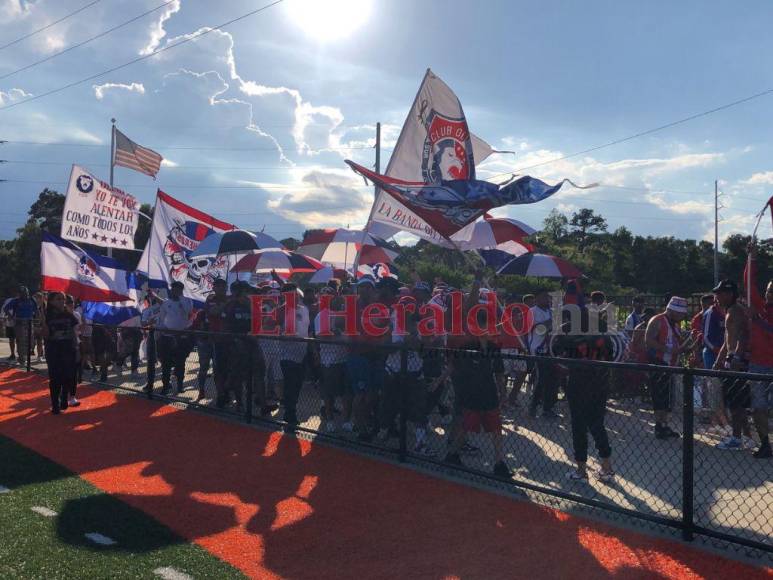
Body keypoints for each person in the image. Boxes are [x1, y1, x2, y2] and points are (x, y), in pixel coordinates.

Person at [443, 308, 512, 478]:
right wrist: (442, 381)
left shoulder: (493, 348)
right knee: (467, 427)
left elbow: (499, 374)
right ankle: (453, 454)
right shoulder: (467, 347)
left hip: (488, 393)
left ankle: (499, 463)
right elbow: (454, 368)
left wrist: (503, 395)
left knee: (495, 428)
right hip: (471, 392)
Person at [555, 310, 615, 481]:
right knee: (597, 424)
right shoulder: (603, 337)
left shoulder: (571, 337)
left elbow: (557, 351)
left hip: (579, 383)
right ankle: (606, 467)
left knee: (579, 426)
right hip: (599, 383)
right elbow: (611, 356)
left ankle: (582, 470)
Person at [645, 296, 695, 439]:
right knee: (659, 396)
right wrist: (667, 349)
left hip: (670, 365)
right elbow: (648, 340)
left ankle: (664, 425)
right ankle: (659, 425)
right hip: (658, 362)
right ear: (673, 311)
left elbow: (677, 347)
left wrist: (690, 345)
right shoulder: (657, 321)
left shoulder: (676, 325)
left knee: (667, 397)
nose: (682, 317)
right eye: (681, 314)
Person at [712, 279, 753, 450]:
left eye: (719, 293)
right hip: (732, 359)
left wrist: (735, 358)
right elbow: (727, 339)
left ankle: (737, 438)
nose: (717, 297)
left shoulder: (736, 311)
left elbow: (741, 337)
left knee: (736, 403)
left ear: (729, 294)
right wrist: (719, 359)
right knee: (737, 403)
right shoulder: (730, 311)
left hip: (737, 361)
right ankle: (747, 437)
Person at [743, 247, 772, 458]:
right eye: (770, 290)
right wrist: (750, 258)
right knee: (758, 407)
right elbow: (748, 284)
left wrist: (760, 323)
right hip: (757, 365)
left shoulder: (760, 314)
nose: (770, 294)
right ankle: (765, 443)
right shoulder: (760, 306)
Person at [315, 286, 353, 432]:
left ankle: (346, 420)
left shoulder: (343, 313)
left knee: (347, 392)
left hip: (345, 358)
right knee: (329, 394)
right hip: (329, 361)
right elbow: (320, 336)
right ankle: (330, 420)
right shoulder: (322, 315)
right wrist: (339, 335)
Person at [40, 292, 79, 414]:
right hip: (53, 350)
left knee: (68, 376)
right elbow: (45, 335)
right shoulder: (46, 314)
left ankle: (64, 397)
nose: (62, 301)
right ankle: (55, 404)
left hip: (68, 349)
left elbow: (74, 332)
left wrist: (77, 348)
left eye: (63, 299)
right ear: (51, 301)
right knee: (55, 378)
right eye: (58, 299)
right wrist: (43, 322)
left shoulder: (68, 314)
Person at [277, 284, 309, 429]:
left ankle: (291, 409)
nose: (295, 297)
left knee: (297, 385)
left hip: (302, 353)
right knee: (290, 383)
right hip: (286, 354)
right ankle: (290, 412)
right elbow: (272, 326)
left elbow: (307, 331)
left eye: (296, 294)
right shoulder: (281, 310)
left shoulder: (304, 310)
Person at [527, 289, 558, 419]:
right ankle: (535, 406)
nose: (547, 299)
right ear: (537, 299)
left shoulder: (551, 312)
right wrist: (551, 322)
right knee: (543, 379)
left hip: (550, 349)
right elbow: (538, 329)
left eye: (548, 297)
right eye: (544, 297)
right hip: (538, 348)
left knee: (551, 380)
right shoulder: (532, 311)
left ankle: (547, 408)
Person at [221, 281, 253, 411]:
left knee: (248, 373)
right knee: (236, 373)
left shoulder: (250, 304)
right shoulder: (230, 304)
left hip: (249, 342)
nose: (246, 294)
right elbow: (225, 324)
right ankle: (238, 401)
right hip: (234, 343)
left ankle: (246, 398)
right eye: (244, 291)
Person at [157, 281, 193, 394]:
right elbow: (162, 319)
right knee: (166, 364)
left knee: (180, 363)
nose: (175, 291)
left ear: (181, 290)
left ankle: (180, 386)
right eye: (173, 289)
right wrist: (162, 330)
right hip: (167, 337)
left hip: (181, 337)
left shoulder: (187, 301)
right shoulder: (166, 303)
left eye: (178, 289)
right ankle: (165, 385)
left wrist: (180, 298)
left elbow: (188, 311)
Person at [7, 286, 37, 367]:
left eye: (26, 293)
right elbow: (6, 308)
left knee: (31, 341)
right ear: (20, 294)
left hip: (30, 322)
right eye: (23, 293)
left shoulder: (32, 300)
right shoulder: (16, 301)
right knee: (21, 341)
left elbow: (36, 310)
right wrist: (11, 316)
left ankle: (26, 357)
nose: (25, 295)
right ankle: (22, 360)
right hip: (19, 322)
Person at [141, 293, 163, 392]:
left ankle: (166, 382)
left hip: (162, 334)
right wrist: (150, 322)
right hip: (152, 334)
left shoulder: (161, 305)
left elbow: (164, 303)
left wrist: (154, 296)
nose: (150, 300)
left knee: (164, 360)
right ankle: (150, 383)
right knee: (151, 362)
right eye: (148, 298)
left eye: (151, 298)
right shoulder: (145, 310)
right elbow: (143, 323)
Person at [2, 296, 17, 361]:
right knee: (12, 339)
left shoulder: (20, 301)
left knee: (16, 339)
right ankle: (13, 354)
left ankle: (18, 354)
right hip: (11, 322)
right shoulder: (10, 300)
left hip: (18, 322)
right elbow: (4, 309)